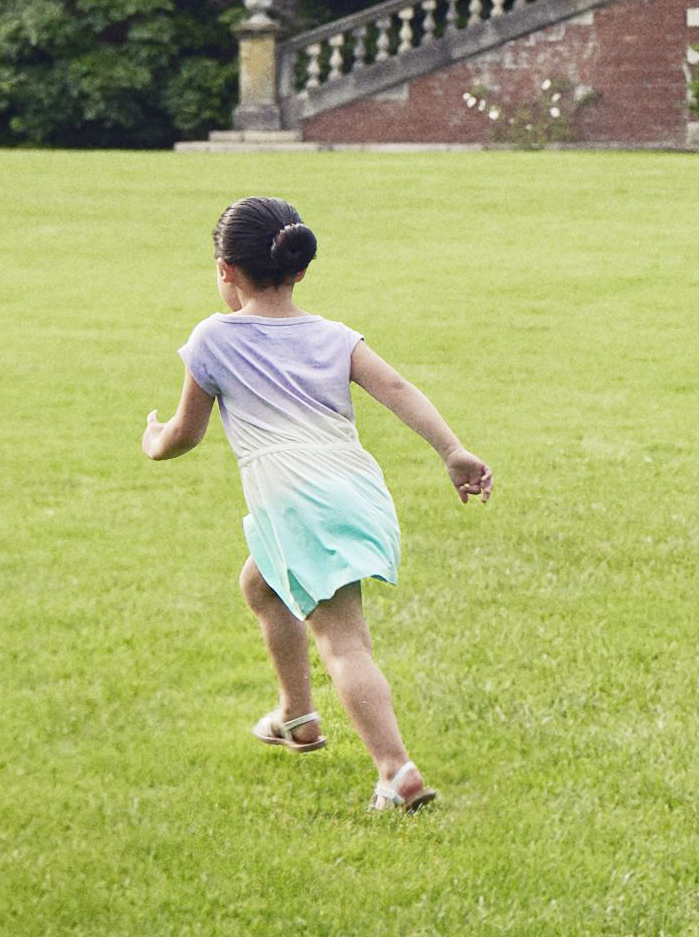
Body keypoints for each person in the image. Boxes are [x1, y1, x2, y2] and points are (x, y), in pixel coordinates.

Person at [138, 193, 493, 817]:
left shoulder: (213, 338)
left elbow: (185, 435)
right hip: (353, 488)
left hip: (296, 500)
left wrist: (153, 441)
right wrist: (453, 451)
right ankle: (296, 717)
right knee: (262, 586)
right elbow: (396, 388)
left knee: (344, 640)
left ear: (225, 270)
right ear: (299, 266)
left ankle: (396, 771)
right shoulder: (333, 336)